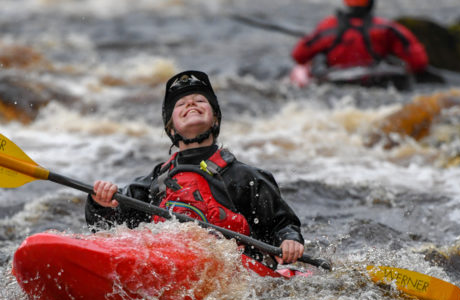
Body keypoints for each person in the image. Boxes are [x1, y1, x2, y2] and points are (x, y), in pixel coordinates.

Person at [85, 70, 305, 267]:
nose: (191, 105)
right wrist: (100, 202)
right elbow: (108, 228)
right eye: (181, 105)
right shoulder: (155, 182)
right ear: (171, 129)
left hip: (233, 273)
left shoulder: (245, 177)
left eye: (200, 100)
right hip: (166, 266)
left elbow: (282, 224)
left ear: (215, 120)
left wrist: (289, 241)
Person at [291, 0, 429, 75]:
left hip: (335, 81)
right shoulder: (387, 28)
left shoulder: (327, 27)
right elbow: (419, 62)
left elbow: (298, 56)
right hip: (375, 81)